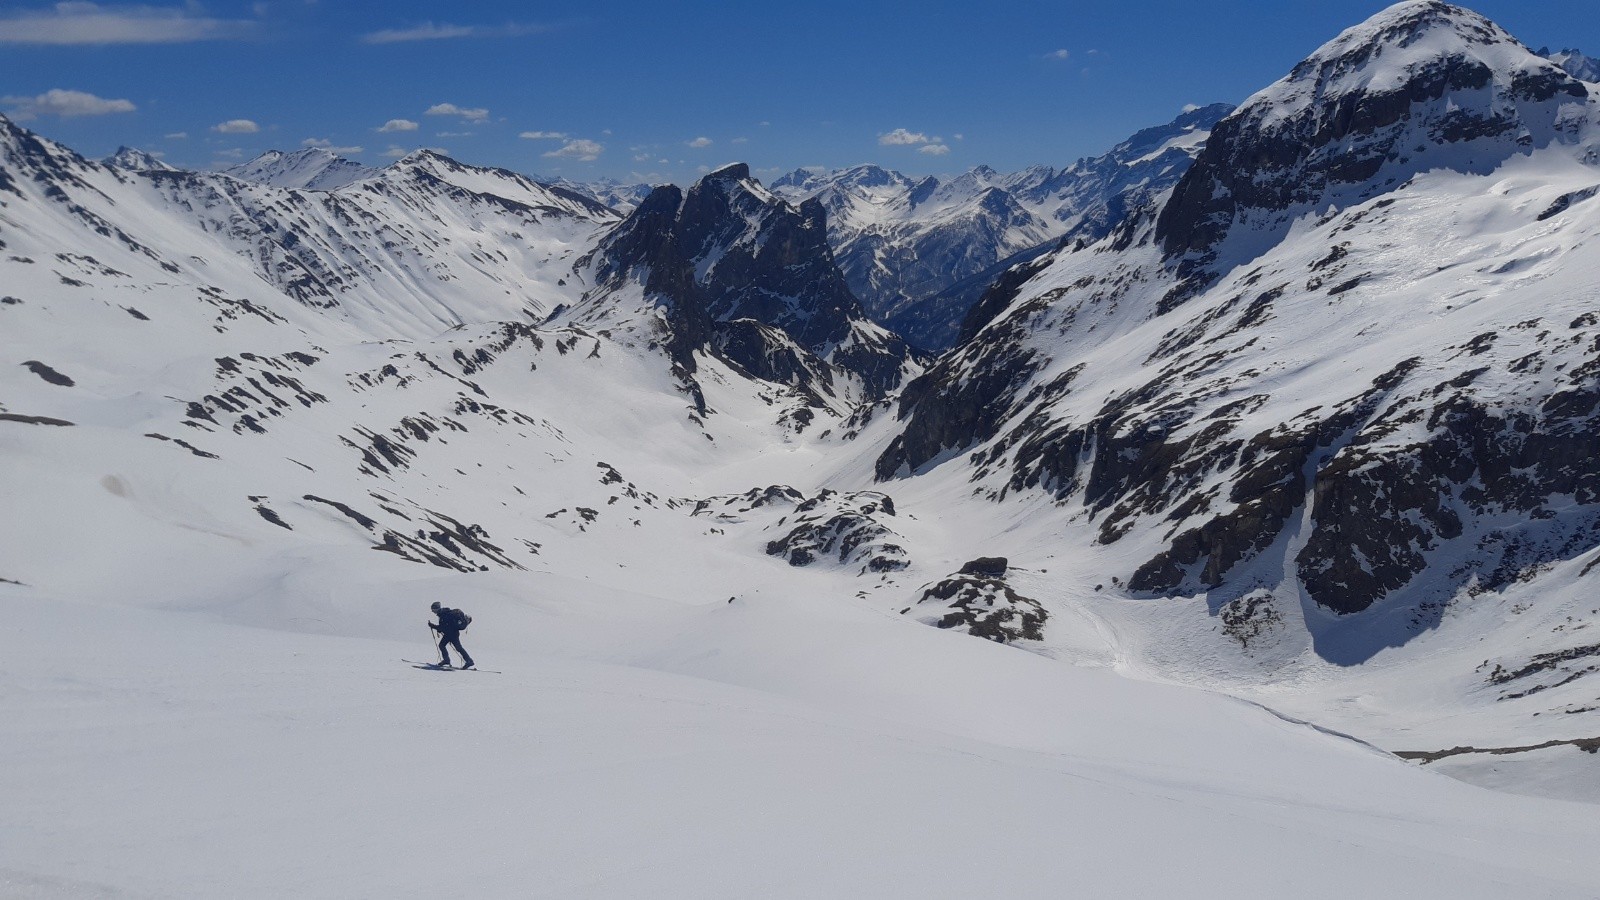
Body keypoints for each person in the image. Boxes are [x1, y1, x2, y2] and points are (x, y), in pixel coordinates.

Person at [429, 601, 475, 669]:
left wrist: (433, 626)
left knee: (456, 647)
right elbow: (445, 626)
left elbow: (443, 627)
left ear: (436, 609)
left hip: (452, 634)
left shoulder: (443, 615)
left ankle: (469, 661)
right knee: (444, 645)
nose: (432, 611)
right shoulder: (444, 614)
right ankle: (447, 660)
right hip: (450, 633)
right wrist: (438, 628)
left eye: (433, 610)